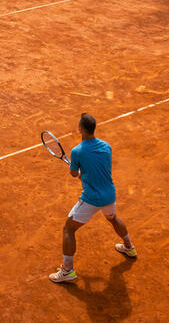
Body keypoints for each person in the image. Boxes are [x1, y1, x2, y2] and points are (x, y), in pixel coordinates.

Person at [50, 113, 136, 284]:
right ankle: (129, 247)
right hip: (109, 194)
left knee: (68, 229)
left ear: (81, 129)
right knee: (112, 218)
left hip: (91, 198)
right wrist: (84, 174)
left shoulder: (77, 151)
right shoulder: (106, 146)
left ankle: (67, 271)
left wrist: (78, 171)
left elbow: (74, 173)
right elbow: (99, 169)